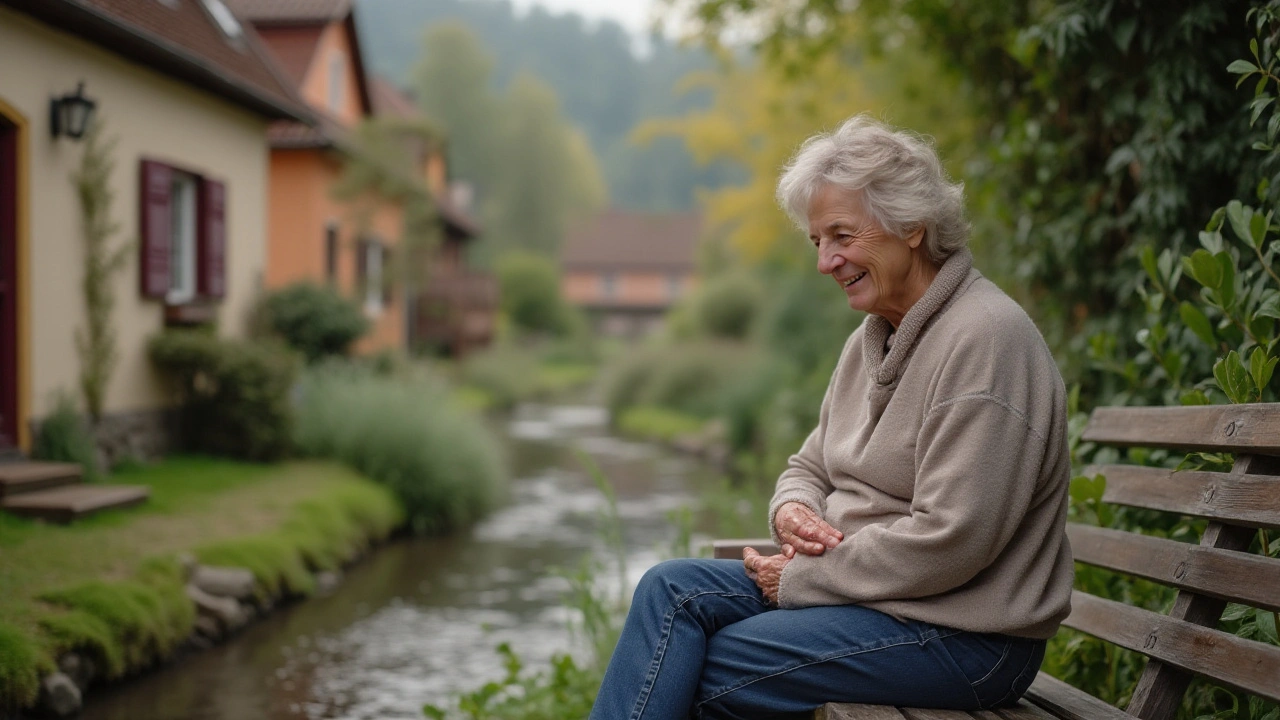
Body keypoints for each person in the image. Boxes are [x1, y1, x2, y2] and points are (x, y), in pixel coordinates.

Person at [587, 115, 1075, 720]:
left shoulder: (986, 340)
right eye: (817, 241)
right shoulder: (870, 341)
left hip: (967, 637)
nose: (825, 261)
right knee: (669, 590)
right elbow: (808, 465)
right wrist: (792, 509)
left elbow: (953, 540)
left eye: (841, 235)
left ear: (912, 225)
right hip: (866, 600)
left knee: (699, 664)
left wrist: (800, 580)